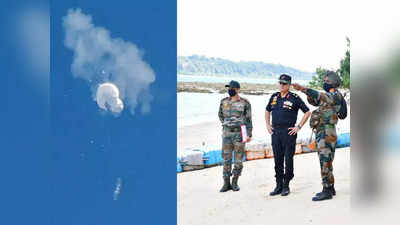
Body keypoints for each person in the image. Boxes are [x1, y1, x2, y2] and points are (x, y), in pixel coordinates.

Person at [292, 71, 344, 201]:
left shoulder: (335, 95)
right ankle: (330, 187)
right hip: (323, 131)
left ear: (332, 83)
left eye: (326, 81)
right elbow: (315, 101)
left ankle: (326, 190)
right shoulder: (328, 96)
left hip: (327, 132)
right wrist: (306, 93)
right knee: (326, 160)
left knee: (324, 160)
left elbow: (319, 96)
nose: (324, 83)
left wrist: (303, 89)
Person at [266, 74, 311, 196]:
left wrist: (298, 127)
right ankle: (278, 185)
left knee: (288, 159)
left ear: (289, 85)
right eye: (280, 83)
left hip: (288, 132)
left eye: (284, 83)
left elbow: (307, 112)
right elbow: (267, 110)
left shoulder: (294, 98)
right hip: (275, 132)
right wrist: (268, 125)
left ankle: (286, 185)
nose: (281, 85)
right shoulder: (274, 97)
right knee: (277, 159)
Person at [218, 80, 252, 192]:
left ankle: (235, 181)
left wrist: (249, 134)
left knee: (238, 160)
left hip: (239, 134)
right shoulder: (223, 101)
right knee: (226, 159)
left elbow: (248, 120)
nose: (229, 90)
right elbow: (220, 116)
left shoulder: (245, 102)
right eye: (228, 88)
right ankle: (226, 183)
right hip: (227, 134)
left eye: (232, 88)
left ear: (237, 89)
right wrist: (227, 124)